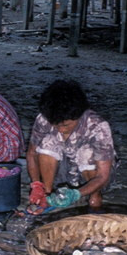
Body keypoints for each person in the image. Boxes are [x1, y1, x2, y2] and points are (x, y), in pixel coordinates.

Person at [25, 80, 116, 213]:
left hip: (92, 177)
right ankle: (48, 195)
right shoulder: (44, 118)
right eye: (56, 125)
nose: (61, 129)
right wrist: (36, 185)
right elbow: (31, 153)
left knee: (86, 153)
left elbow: (103, 176)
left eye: (66, 125)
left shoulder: (98, 126)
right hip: (61, 172)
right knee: (47, 141)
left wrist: (75, 194)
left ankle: (95, 195)